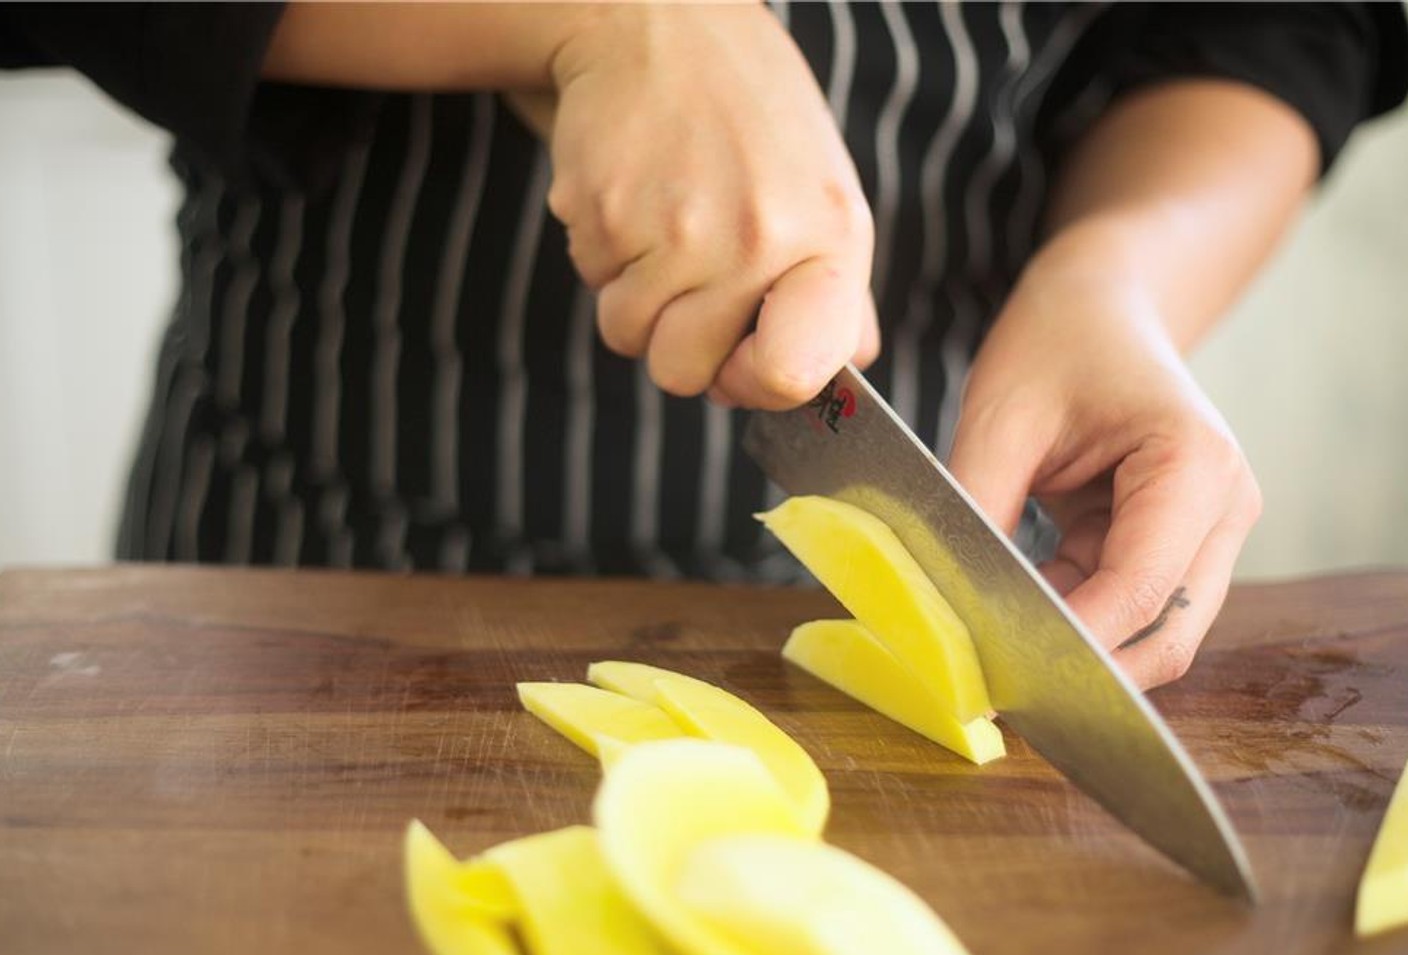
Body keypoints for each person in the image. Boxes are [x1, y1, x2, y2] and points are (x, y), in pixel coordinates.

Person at [3, 2, 1405, 691]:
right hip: (306, 568)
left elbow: (1283, 18)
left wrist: (1124, 277)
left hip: (933, 546)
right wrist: (590, 16)